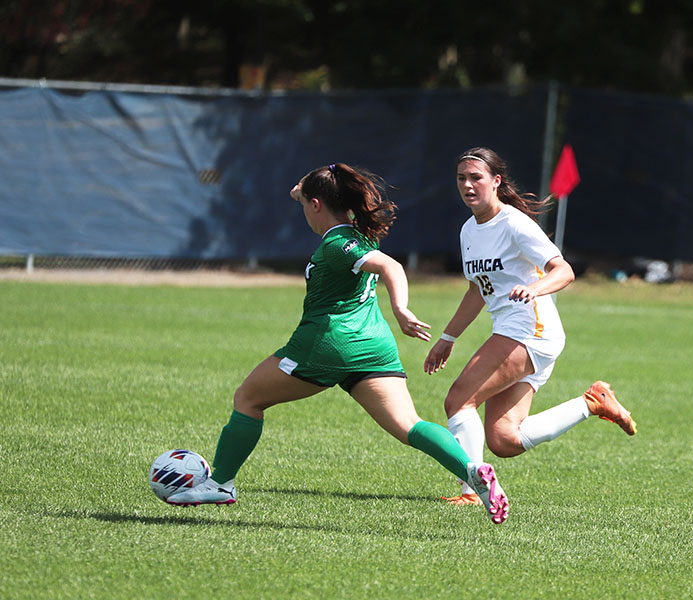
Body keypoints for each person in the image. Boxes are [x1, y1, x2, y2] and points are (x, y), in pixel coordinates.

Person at [167, 162, 509, 524]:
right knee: (409, 425)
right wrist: (309, 190)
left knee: (248, 398)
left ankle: (220, 483)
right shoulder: (361, 232)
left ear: (317, 205)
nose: (301, 209)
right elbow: (303, 193)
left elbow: (391, 266)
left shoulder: (337, 243)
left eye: (305, 205)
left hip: (328, 343)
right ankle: (471, 469)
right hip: (373, 345)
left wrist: (401, 308)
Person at [424, 147, 637, 505]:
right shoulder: (468, 231)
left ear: (496, 181)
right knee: (504, 439)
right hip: (521, 333)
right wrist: (448, 337)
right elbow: (479, 288)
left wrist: (535, 288)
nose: (467, 185)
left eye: (476, 177)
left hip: (529, 331)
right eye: (461, 177)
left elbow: (564, 270)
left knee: (458, 401)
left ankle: (472, 491)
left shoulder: (515, 223)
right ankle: (593, 403)